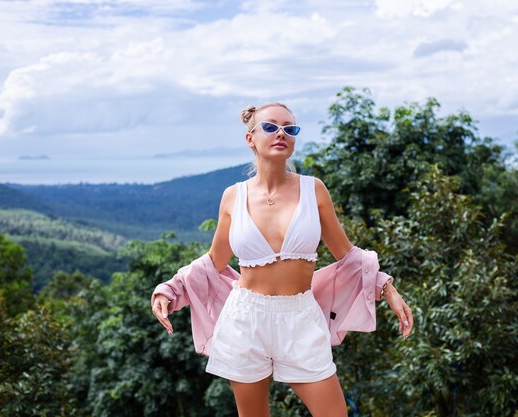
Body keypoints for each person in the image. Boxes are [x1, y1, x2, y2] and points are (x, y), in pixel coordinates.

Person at [152, 102, 414, 417]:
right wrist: (170, 288)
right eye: (270, 126)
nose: (281, 133)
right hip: (246, 318)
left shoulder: (313, 190)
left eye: (290, 129)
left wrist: (387, 287)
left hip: (301, 317)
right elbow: (214, 261)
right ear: (250, 138)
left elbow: (348, 255)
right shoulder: (233, 197)